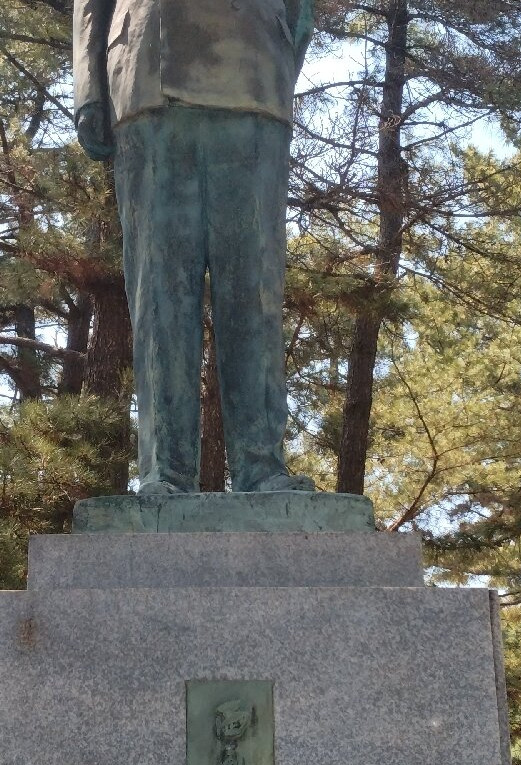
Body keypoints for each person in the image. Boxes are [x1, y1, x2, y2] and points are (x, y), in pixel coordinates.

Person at [73, 0, 315, 494]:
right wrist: (89, 92)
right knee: (159, 294)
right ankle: (165, 469)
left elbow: (300, 11)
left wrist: (277, 57)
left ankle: (262, 465)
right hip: (148, 72)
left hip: (251, 75)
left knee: (255, 291)